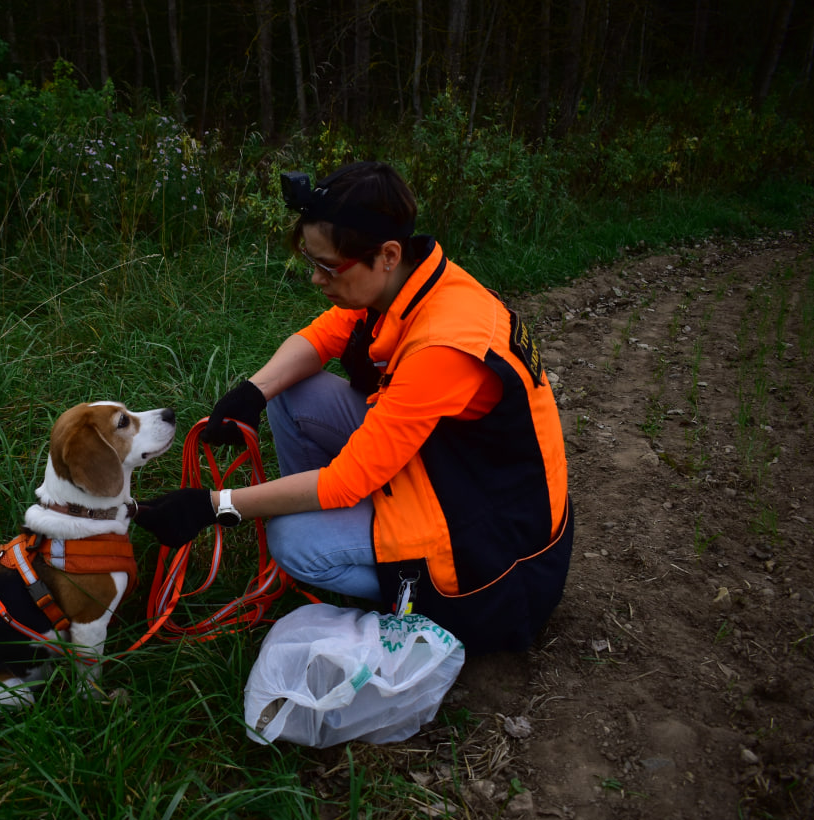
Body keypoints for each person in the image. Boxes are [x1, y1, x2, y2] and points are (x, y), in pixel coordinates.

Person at [136, 161, 572, 655]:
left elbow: (348, 480)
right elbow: (325, 335)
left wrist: (216, 506)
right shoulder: (410, 280)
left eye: (327, 267)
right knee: (292, 393)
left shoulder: (444, 346)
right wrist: (253, 392)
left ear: (385, 255)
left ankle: (402, 589)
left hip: (497, 548)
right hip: (446, 465)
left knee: (291, 539)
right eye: (312, 261)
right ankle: (343, 524)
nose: (316, 279)